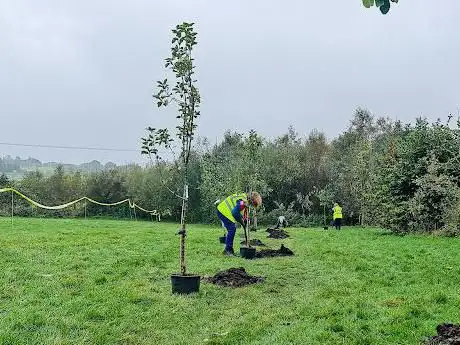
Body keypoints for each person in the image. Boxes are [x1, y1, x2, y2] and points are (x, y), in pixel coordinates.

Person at [216, 191, 262, 256]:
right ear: (252, 200)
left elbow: (242, 210)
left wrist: (245, 220)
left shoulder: (243, 198)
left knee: (232, 229)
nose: (252, 206)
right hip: (223, 211)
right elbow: (235, 212)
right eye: (253, 204)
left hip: (222, 210)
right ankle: (227, 250)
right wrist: (241, 221)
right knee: (232, 229)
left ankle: (229, 250)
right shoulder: (243, 202)